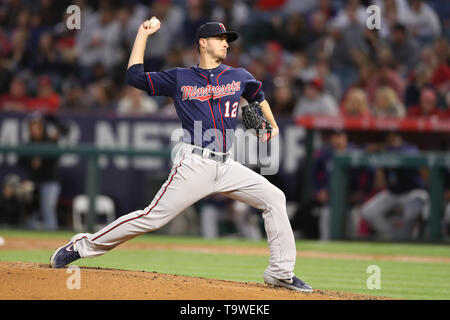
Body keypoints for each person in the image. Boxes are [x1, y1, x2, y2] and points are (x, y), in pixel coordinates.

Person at [49, 19, 313, 293]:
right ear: (203, 42)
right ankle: (81, 246)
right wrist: (142, 34)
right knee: (151, 218)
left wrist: (272, 124)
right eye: (220, 38)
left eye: (228, 39)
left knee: (274, 198)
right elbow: (134, 77)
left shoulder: (239, 76)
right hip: (194, 163)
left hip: (227, 164)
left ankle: (280, 272)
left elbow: (257, 95)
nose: (226, 42)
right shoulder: (180, 77)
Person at [360, 131, 429, 240]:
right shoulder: (384, 151)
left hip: (413, 191)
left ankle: (405, 238)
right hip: (392, 193)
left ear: (400, 137)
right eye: (389, 137)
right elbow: (379, 183)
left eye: (395, 136)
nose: (393, 139)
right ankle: (390, 235)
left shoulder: (410, 148)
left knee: (411, 213)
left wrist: (383, 149)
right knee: (368, 211)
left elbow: (407, 154)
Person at [18, 112, 69, 230]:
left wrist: (42, 159)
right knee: (31, 212)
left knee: (48, 209)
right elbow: (19, 161)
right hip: (33, 181)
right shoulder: (28, 144)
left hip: (50, 180)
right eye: (33, 128)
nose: (35, 130)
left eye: (37, 127)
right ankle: (29, 241)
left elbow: (57, 156)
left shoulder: (50, 142)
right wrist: (31, 161)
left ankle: (51, 238)